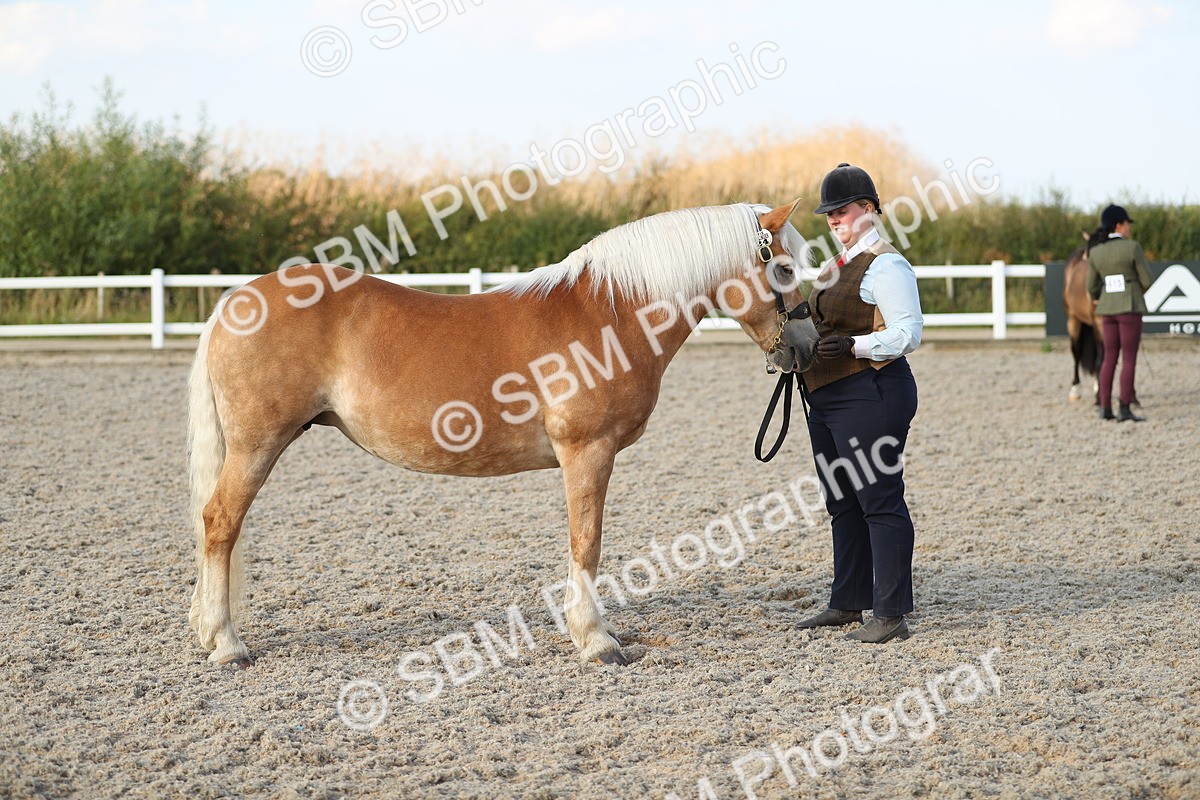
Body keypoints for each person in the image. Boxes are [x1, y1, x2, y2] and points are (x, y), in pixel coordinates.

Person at [787, 163, 923, 644]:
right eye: (829, 215)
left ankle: (891, 612)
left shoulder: (887, 265)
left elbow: (908, 333)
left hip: (872, 391)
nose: (833, 221)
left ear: (867, 210)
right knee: (841, 501)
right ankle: (847, 601)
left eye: (841, 212)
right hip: (826, 396)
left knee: (879, 499)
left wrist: (853, 346)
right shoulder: (834, 266)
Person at [1086, 204, 1152, 422]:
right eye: (1126, 224)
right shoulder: (1132, 248)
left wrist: (1100, 296)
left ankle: (1105, 407)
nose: (1128, 229)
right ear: (1118, 225)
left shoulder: (1096, 252)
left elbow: (1092, 286)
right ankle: (1124, 408)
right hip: (1129, 307)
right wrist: (1134, 289)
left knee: (1109, 358)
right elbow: (1147, 280)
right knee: (1129, 359)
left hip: (1107, 309)